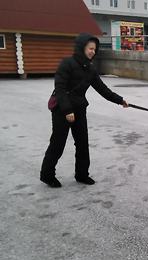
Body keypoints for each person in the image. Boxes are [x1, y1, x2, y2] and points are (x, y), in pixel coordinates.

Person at [40, 33, 129, 188]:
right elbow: (59, 89)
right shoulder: (66, 63)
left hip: (80, 110)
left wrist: (120, 100)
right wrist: (67, 110)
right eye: (90, 48)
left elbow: (102, 89)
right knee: (57, 144)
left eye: (94, 49)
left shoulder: (90, 69)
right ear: (81, 47)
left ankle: (82, 174)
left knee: (82, 144)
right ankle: (47, 175)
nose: (92, 52)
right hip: (62, 110)